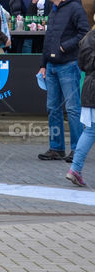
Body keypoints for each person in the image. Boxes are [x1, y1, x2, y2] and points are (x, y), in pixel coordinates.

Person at [38, 0, 90, 162]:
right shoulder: (53, 10)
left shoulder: (74, 8)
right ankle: (56, 147)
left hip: (68, 64)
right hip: (52, 66)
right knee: (53, 108)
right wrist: (43, 65)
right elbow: (49, 38)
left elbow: (84, 32)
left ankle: (76, 149)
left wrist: (65, 46)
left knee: (73, 108)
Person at [67, 22, 95, 186]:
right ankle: (75, 169)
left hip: (89, 86)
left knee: (90, 130)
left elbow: (82, 65)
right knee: (90, 131)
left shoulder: (87, 38)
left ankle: (75, 169)